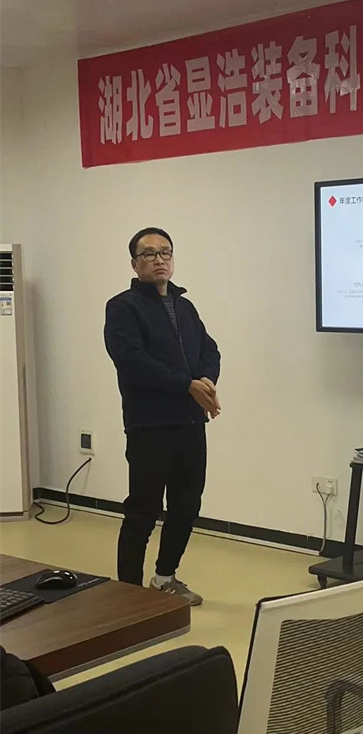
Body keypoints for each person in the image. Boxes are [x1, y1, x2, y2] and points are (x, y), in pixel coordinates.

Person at [104, 228, 221, 605]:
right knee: (143, 509)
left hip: (190, 423)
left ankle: (165, 577)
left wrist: (206, 381)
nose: (159, 259)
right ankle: (128, 593)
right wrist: (187, 385)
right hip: (149, 425)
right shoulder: (122, 307)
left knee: (187, 505)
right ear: (134, 263)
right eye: (149, 254)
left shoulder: (185, 307)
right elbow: (133, 362)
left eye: (165, 252)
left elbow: (210, 349)